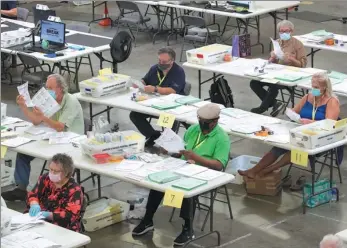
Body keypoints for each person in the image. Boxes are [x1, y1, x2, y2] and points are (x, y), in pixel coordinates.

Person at [132, 103, 231, 246]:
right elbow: (183, 149)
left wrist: (196, 158)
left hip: (206, 174)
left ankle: (188, 228)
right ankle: (148, 219)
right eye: (200, 120)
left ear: (215, 121)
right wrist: (171, 150)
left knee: (185, 189)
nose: (202, 124)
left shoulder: (222, 138)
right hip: (184, 166)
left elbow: (219, 165)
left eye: (206, 123)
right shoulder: (193, 129)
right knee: (158, 181)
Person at [239, 73, 340, 179]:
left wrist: (308, 122)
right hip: (302, 131)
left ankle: (269, 169)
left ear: (324, 87)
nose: (313, 89)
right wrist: (290, 113)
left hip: (320, 136)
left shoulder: (332, 101)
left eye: (316, 87)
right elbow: (294, 111)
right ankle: (253, 170)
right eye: (312, 86)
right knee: (279, 147)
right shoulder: (308, 97)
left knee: (297, 147)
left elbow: (329, 124)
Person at [2, 74, 84, 201]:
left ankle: (54, 193)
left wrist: (43, 117)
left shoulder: (70, 102)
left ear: (60, 88)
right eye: (46, 87)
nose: (48, 91)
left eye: (50, 88)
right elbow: (36, 121)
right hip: (52, 138)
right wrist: (23, 106)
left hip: (70, 142)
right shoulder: (49, 100)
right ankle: (21, 189)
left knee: (56, 162)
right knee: (23, 153)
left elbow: (60, 127)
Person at [130, 47, 186, 147]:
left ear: (172, 61)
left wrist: (155, 89)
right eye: (159, 60)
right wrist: (140, 83)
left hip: (170, 106)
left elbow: (173, 91)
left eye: (164, 61)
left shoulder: (178, 72)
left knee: (168, 120)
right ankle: (153, 136)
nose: (161, 63)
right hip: (153, 103)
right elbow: (145, 80)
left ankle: (168, 143)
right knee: (135, 115)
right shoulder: (155, 68)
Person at [250, 20, 307, 117]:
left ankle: (263, 107)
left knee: (273, 85)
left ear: (291, 31)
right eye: (281, 31)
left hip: (291, 74)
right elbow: (274, 60)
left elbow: (303, 64)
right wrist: (272, 58)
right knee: (254, 83)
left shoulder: (298, 44)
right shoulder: (278, 42)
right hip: (277, 71)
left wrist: (292, 59)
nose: (284, 33)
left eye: (286, 31)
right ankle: (275, 103)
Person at [26, 153, 83, 232]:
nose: (52, 173)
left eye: (56, 171)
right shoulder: (46, 178)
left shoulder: (74, 190)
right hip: (38, 219)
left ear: (66, 173)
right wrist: (34, 204)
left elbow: (69, 216)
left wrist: (48, 215)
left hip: (61, 226)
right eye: (50, 169)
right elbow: (33, 193)